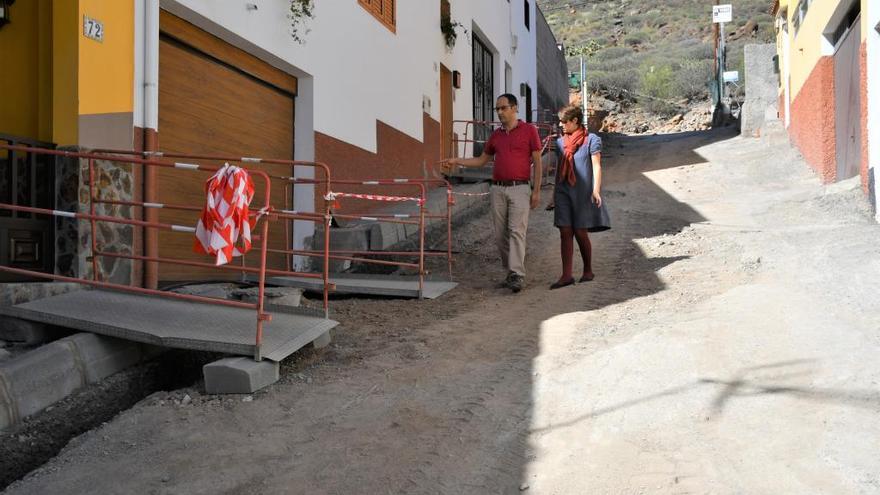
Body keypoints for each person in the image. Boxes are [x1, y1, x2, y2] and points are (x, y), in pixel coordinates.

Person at [441, 94, 542, 293]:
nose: (500, 112)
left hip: (520, 188)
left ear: (514, 108)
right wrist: (456, 160)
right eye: (497, 109)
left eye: (503, 108)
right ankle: (510, 273)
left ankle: (517, 274)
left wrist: (536, 191)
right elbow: (480, 161)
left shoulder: (529, 131)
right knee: (500, 235)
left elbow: (538, 162)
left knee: (516, 231)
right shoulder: (496, 135)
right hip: (497, 188)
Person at [546, 104, 610, 289]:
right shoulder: (560, 143)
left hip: (583, 192)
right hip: (563, 191)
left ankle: (587, 270)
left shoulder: (592, 140)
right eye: (560, 122)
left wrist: (596, 190)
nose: (561, 125)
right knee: (565, 231)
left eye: (564, 121)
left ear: (575, 121)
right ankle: (566, 275)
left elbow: (596, 166)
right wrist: (553, 195)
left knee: (580, 231)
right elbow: (559, 169)